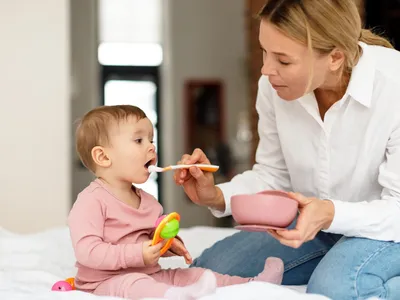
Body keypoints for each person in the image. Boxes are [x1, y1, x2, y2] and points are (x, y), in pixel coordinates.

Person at [173, 0, 400, 299]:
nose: (267, 70)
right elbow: (272, 177)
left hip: (387, 229)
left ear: (334, 57)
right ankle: (333, 259)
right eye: (265, 52)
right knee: (207, 273)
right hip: (319, 228)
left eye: (283, 60)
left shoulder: (393, 85)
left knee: (337, 287)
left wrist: (330, 213)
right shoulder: (273, 89)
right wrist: (215, 195)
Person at [67, 105, 284, 300]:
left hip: (150, 274)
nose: (151, 147)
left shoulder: (149, 202)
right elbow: (88, 251)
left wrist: (167, 245)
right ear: (103, 157)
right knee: (136, 285)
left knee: (193, 274)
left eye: (151, 140)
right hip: (103, 283)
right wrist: (138, 254)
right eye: (139, 140)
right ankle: (176, 297)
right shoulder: (91, 201)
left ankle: (252, 286)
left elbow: (152, 237)